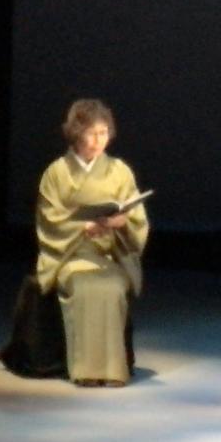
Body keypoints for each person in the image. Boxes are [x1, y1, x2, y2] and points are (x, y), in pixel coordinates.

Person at [33, 99, 150, 386]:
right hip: (70, 256)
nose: (99, 140)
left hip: (108, 255)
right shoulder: (56, 172)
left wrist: (120, 223)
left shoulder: (119, 171)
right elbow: (50, 219)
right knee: (85, 286)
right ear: (76, 133)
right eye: (91, 133)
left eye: (104, 132)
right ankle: (86, 370)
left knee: (112, 286)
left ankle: (113, 371)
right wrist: (83, 228)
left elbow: (136, 218)